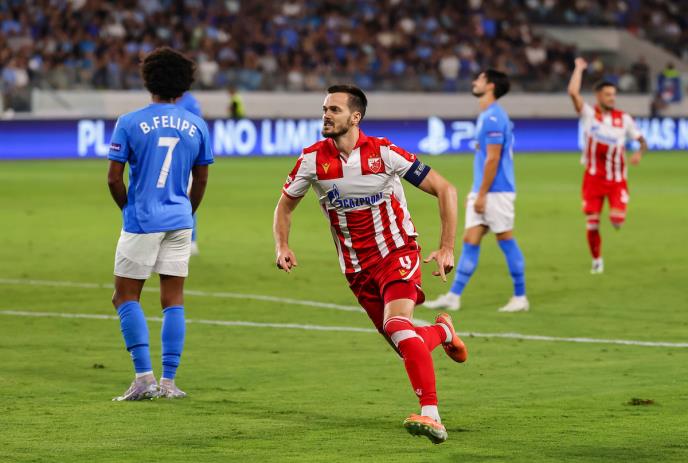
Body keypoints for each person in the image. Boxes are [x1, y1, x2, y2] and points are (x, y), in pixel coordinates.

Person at [273, 84, 467, 444]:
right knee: (403, 341)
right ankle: (442, 332)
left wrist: (446, 247)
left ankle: (431, 415)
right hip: (356, 269)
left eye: (334, 109)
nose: (326, 115)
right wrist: (282, 245)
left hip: (397, 252)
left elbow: (446, 189)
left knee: (397, 325)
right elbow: (285, 205)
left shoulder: (384, 153)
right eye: (324, 109)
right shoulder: (312, 160)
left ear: (355, 117)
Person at [107, 47, 213, 400]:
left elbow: (113, 178)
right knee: (173, 300)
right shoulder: (196, 124)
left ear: (147, 79)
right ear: (184, 84)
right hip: (180, 220)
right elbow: (201, 179)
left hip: (142, 219)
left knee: (124, 296)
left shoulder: (129, 122)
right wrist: (187, 212)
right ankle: (169, 382)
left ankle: (143, 378)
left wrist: (129, 209)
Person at [424, 69, 529, 313]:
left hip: (497, 191)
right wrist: (476, 192)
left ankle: (520, 297)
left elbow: (493, 159)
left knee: (505, 239)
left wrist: (480, 194)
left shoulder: (493, 117)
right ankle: (454, 296)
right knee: (470, 240)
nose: (474, 81)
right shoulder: (487, 115)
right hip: (486, 190)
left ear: (490, 85)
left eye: (480, 79)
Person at [567, 57, 647, 274]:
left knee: (617, 221)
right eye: (608, 95)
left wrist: (638, 153)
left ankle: (618, 213)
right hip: (593, 178)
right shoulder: (589, 114)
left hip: (617, 179)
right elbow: (573, 92)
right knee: (592, 223)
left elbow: (642, 141)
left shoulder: (624, 119)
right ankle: (597, 260)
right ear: (598, 96)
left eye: (613, 95)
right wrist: (579, 68)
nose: (612, 98)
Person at [176, 91, 203, 255]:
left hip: (185, 158)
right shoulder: (173, 99)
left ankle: (191, 239)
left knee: (187, 196)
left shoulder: (190, 102)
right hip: (171, 156)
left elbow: (196, 130)